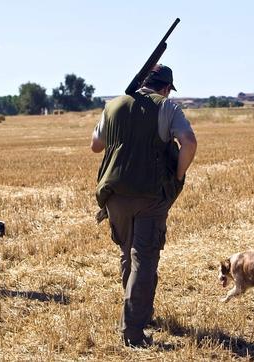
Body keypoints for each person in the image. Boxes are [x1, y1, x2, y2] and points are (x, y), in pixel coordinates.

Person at [91, 64, 197, 347]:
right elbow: (188, 142)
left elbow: (96, 145)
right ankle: (133, 333)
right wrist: (177, 174)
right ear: (165, 88)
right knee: (144, 259)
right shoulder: (167, 108)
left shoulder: (113, 105)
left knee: (128, 254)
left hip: (113, 193)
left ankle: (138, 313)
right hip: (150, 195)